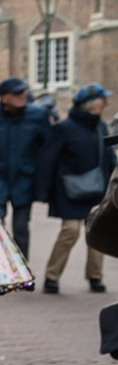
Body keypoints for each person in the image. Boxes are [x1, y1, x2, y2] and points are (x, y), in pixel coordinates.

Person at [32, 83, 116, 294]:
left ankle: (95, 276)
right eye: (101, 99)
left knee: (98, 229)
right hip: (68, 191)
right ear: (88, 103)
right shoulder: (64, 127)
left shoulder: (100, 127)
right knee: (70, 231)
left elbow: (108, 158)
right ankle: (52, 276)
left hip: (97, 189)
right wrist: (43, 191)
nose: (105, 103)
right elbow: (48, 160)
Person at [0, 77, 44, 259]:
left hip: (24, 179)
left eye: (23, 92)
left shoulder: (38, 117)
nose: (22, 96)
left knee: (21, 227)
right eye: (16, 93)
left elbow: (45, 145)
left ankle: (22, 268)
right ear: (4, 97)